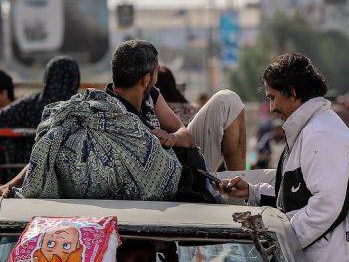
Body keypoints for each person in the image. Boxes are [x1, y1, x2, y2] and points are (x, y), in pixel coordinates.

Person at [219, 53, 349, 262]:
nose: (271, 108)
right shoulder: (311, 130)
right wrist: (252, 193)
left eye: (272, 97)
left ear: (292, 92)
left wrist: (280, 241)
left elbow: (326, 206)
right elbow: (298, 192)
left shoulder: (321, 134)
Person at [106, 40, 247, 172]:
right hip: (160, 178)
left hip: (182, 165)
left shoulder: (151, 95)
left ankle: (237, 194)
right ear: (147, 79)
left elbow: (185, 135)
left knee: (228, 101)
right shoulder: (106, 108)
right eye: (156, 74)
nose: (155, 80)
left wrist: (171, 138)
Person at [0, 56, 81, 184]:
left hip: (20, 180)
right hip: (69, 182)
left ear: (47, 78)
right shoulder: (82, 109)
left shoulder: (28, 106)